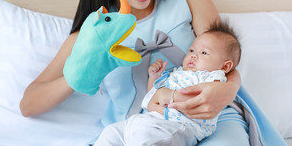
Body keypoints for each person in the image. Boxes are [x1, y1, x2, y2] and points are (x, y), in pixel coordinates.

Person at [19, 0, 287, 146]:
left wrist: (227, 90)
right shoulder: (94, 34)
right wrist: (84, 70)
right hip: (139, 129)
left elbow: (225, 59)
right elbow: (29, 104)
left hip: (209, 120)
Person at [94, 21, 241, 146]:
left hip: (175, 126)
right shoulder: (178, 73)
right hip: (146, 120)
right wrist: (153, 78)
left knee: (145, 138)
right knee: (110, 133)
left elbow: (200, 100)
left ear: (225, 66)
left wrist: (170, 95)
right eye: (191, 50)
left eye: (204, 53)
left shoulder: (213, 78)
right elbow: (153, 95)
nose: (193, 55)